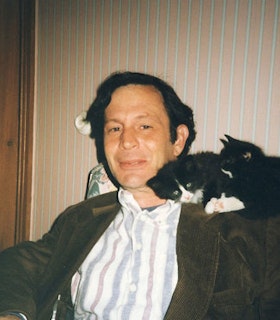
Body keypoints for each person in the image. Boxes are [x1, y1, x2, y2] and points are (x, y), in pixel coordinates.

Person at [0, 71, 279, 320]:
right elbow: (16, 264)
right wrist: (13, 313)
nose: (127, 141)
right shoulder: (80, 218)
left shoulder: (252, 229)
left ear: (178, 140)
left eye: (144, 126)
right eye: (114, 128)